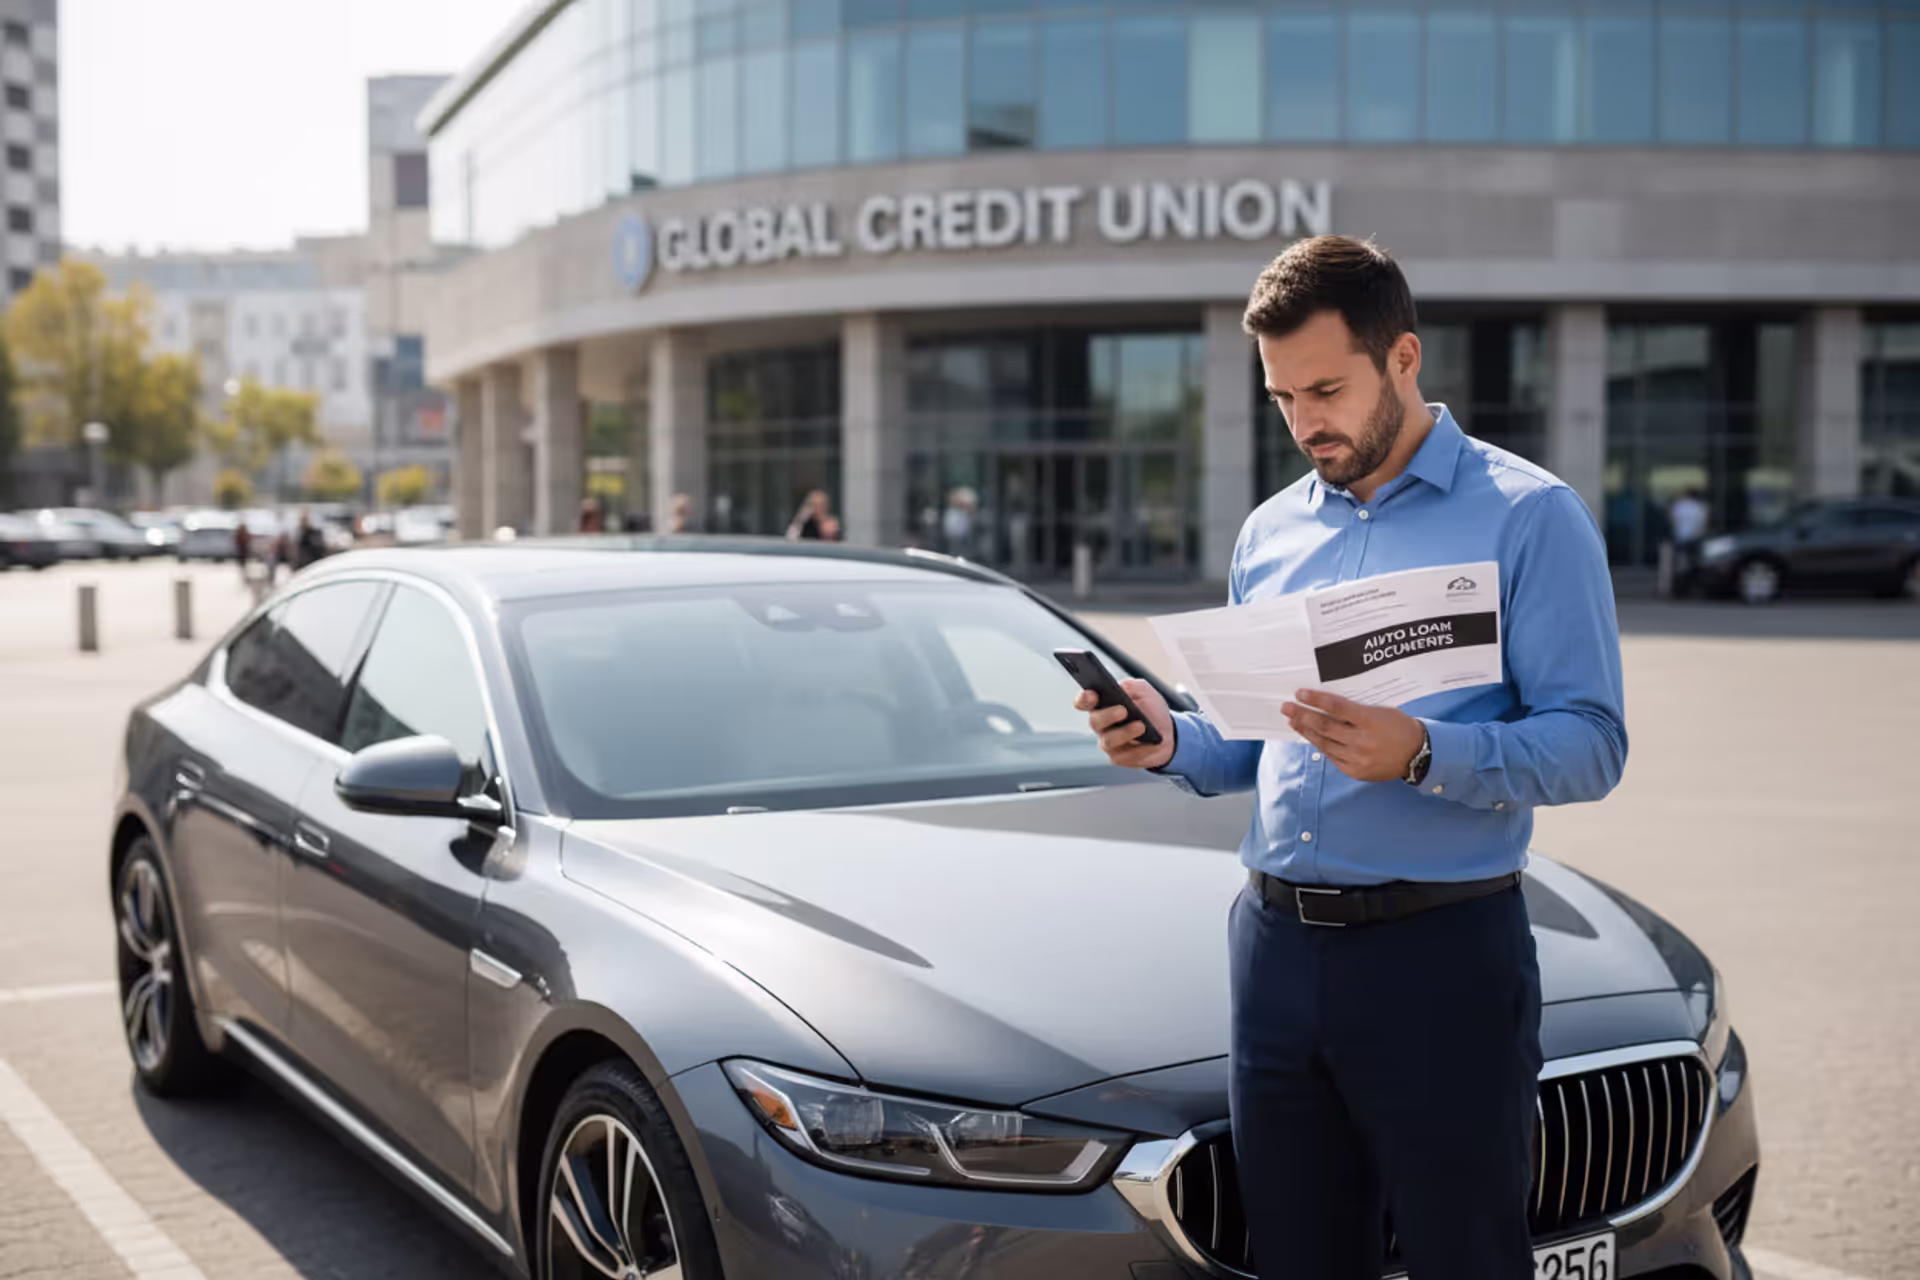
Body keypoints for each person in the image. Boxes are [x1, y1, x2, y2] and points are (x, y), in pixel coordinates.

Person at [1076, 236, 1627, 1280]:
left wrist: (1422, 751)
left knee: (1465, 1255)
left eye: (1325, 388)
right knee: (1296, 1257)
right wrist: (1169, 736)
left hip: (1443, 956)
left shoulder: (1530, 517)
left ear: (1404, 358)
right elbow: (1254, 736)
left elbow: (1593, 743)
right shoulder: (1270, 531)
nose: (1305, 422)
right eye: (1283, 397)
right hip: (1273, 951)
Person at [1668, 487, 1709, 596]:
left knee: (1680, 566)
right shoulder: (1700, 507)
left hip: (1681, 539)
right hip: (1695, 539)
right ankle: (1691, 588)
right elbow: (1703, 524)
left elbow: (1673, 521)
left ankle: (1680, 590)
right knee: (1694, 565)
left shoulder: (1679, 506)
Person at [940, 486, 978, 557]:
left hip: (963, 538)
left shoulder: (964, 513)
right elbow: (950, 528)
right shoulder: (952, 512)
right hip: (955, 538)